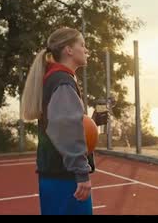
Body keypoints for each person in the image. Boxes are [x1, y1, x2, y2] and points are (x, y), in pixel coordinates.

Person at [20, 27, 107, 215]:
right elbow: (65, 131)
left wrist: (92, 122)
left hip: (55, 176)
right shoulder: (63, 82)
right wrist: (81, 173)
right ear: (68, 50)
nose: (86, 50)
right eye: (82, 45)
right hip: (65, 179)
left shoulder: (54, 78)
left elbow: (65, 125)